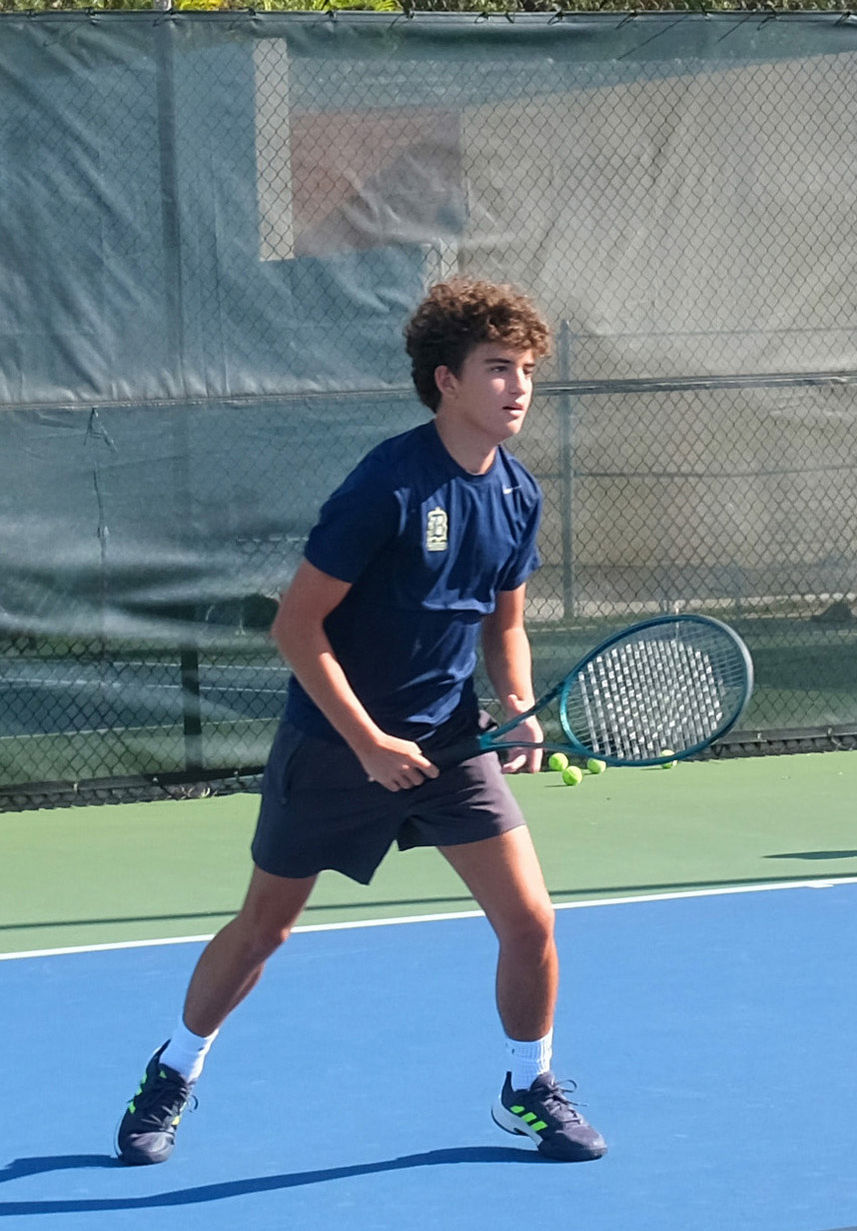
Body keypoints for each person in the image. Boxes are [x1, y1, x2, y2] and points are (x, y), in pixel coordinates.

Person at [116, 276, 606, 1166]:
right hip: (337, 744)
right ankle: (174, 1071)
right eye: (497, 368)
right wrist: (368, 742)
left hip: (452, 743)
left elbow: (504, 622)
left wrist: (516, 706)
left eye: (527, 368)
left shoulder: (518, 494)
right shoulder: (385, 484)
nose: (519, 386)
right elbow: (295, 626)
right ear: (444, 379)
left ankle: (526, 1084)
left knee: (530, 921)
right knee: (265, 928)